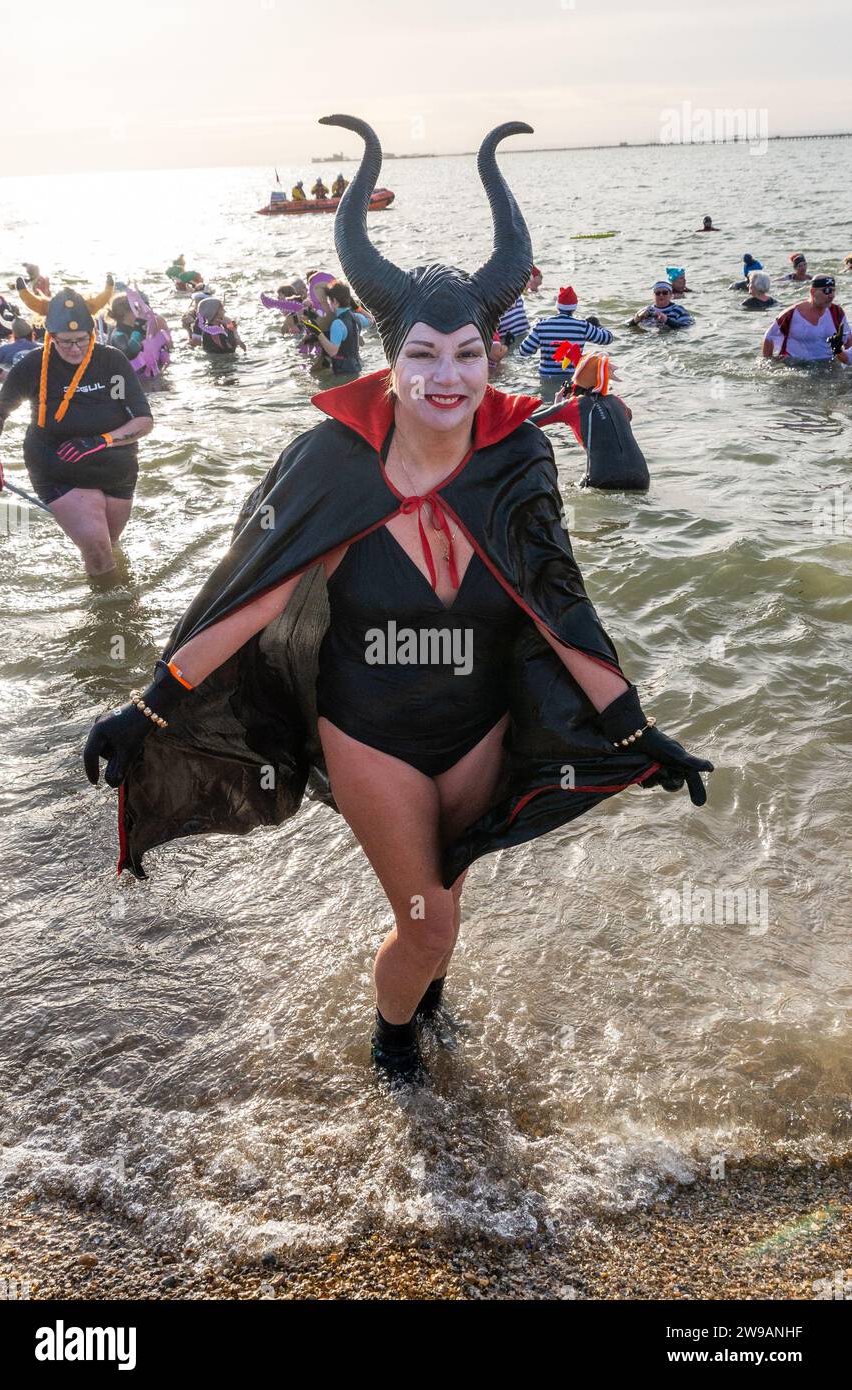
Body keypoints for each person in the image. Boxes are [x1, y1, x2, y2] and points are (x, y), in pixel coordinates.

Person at [82, 114, 713, 1088]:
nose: (448, 376)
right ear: (392, 357)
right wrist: (151, 705)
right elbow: (254, 592)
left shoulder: (518, 453)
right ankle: (394, 1042)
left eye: (468, 353)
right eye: (425, 354)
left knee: (439, 897)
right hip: (367, 728)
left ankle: (421, 989)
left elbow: (557, 604)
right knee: (433, 917)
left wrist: (637, 735)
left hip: (480, 728)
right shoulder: (335, 457)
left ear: (489, 355)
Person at [0, 288, 153, 575]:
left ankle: (118, 609)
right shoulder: (33, 365)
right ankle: (106, 613)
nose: (74, 349)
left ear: (92, 333)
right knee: (99, 554)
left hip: (117, 467)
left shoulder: (112, 360)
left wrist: (101, 441)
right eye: (65, 342)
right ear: (50, 336)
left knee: (109, 546)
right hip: (57, 466)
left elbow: (144, 421)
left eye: (81, 341)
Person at [531, 347, 649, 491]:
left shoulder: (572, 405)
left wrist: (559, 408)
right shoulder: (618, 402)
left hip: (603, 479)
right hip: (641, 478)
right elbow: (622, 419)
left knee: (566, 490)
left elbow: (530, 422)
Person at [517, 285, 613, 380]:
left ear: (557, 306)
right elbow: (608, 339)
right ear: (574, 308)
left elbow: (524, 351)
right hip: (572, 378)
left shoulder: (542, 326)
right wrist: (597, 325)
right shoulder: (583, 326)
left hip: (546, 378)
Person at [762, 275, 850, 362]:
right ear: (812, 292)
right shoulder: (791, 314)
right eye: (827, 291)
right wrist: (769, 362)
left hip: (827, 365)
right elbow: (769, 336)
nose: (831, 296)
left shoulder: (837, 313)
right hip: (797, 367)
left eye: (833, 291)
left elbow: (849, 340)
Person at [312, 281, 370, 375]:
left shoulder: (337, 324)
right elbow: (370, 319)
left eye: (329, 301)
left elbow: (332, 352)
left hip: (343, 372)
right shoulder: (357, 317)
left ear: (334, 301)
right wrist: (357, 307)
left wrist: (317, 332)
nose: (329, 304)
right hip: (357, 366)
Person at [497, 264, 542, 344]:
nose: (529, 284)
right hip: (514, 339)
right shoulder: (517, 298)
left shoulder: (518, 298)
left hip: (516, 338)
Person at [629, 281, 693, 328]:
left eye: (665, 292)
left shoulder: (679, 309)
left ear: (671, 295)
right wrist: (636, 319)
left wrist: (667, 320)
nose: (661, 295)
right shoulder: (646, 310)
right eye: (658, 293)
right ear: (654, 295)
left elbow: (686, 326)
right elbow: (626, 326)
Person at [107, 295, 146, 361]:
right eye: (135, 309)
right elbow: (128, 354)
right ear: (126, 313)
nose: (137, 312)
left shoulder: (132, 329)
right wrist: (139, 326)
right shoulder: (118, 335)